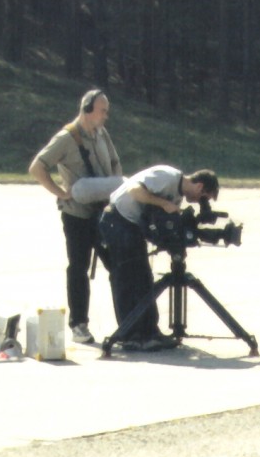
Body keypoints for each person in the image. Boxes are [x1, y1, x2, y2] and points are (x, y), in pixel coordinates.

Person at [29, 89, 123, 345]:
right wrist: (60, 192)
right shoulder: (66, 138)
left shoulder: (102, 133)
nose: (106, 115)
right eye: (102, 110)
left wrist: (113, 189)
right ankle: (79, 325)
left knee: (118, 265)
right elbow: (37, 167)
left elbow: (115, 163)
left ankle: (127, 323)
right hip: (78, 215)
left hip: (104, 212)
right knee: (78, 268)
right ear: (87, 110)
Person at [98, 166, 220, 351]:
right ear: (199, 186)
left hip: (132, 226)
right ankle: (130, 336)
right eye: (203, 197)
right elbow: (135, 190)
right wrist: (163, 204)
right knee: (126, 279)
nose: (199, 202)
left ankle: (150, 333)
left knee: (144, 279)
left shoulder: (177, 195)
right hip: (118, 221)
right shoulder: (167, 176)